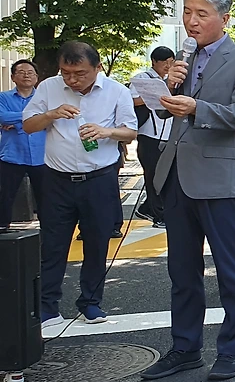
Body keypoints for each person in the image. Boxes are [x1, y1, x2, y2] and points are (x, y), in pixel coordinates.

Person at [140, 0, 235, 382]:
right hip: (177, 176)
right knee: (182, 271)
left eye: (201, 13)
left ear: (224, 18)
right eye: (187, 12)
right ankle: (185, 347)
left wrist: (196, 107)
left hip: (220, 180)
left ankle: (230, 350)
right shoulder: (183, 59)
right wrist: (168, 88)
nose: (191, 21)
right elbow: (166, 112)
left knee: (231, 271)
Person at [22, 42, 136, 328]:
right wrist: (51, 114)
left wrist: (106, 131)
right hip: (56, 180)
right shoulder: (49, 87)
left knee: (97, 243)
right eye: (66, 73)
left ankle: (91, 303)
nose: (72, 79)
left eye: (80, 73)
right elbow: (28, 125)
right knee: (53, 245)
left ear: (97, 68)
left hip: (99, 179)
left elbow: (130, 132)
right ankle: (47, 306)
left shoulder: (116, 91)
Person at [130, 46, 175, 227]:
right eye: (164, 62)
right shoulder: (143, 78)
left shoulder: (171, 81)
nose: (168, 66)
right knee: (153, 176)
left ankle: (147, 208)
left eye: (171, 62)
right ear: (154, 62)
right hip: (149, 135)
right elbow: (131, 101)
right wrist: (155, 96)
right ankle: (159, 215)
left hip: (168, 136)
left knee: (166, 175)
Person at [0, 59, 45, 231]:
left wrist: (17, 122)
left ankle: (48, 228)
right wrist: (33, 117)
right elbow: (2, 117)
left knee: (45, 197)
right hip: (12, 154)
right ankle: (2, 226)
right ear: (13, 77)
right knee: (5, 195)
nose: (26, 75)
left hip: (41, 156)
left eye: (30, 72)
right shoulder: (3, 97)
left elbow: (51, 120)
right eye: (21, 72)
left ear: (36, 77)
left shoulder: (44, 98)